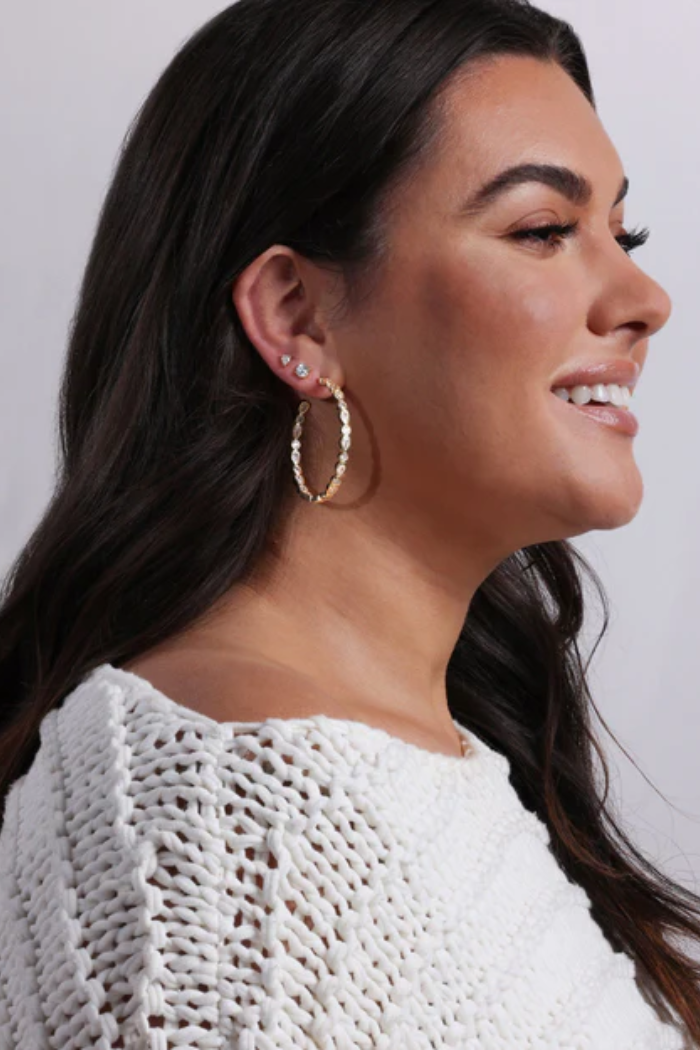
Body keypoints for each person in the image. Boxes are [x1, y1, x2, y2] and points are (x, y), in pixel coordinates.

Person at [0, 0, 698, 1045]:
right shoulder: (230, 804)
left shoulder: (421, 769)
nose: (643, 297)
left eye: (620, 231)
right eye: (544, 230)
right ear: (296, 318)